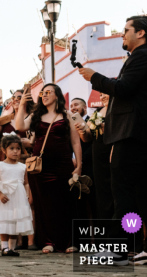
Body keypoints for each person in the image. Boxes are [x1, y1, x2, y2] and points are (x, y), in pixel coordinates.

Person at [79, 15, 147, 265]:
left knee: (123, 192)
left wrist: (94, 78)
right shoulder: (137, 57)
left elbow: (123, 89)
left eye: (127, 30)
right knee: (136, 193)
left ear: (140, 33)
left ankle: (121, 249)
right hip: (133, 134)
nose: (122, 34)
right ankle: (137, 247)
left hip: (131, 133)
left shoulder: (142, 56)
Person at [15, 83, 82, 254]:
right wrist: (22, 103)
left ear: (57, 96)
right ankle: (48, 241)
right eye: (42, 93)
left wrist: (79, 165)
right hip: (40, 167)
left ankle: (69, 241)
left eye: (48, 92)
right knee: (44, 204)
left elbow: (75, 142)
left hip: (63, 164)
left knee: (66, 203)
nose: (44, 95)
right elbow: (20, 127)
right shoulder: (36, 115)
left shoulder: (68, 115)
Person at [82, 93, 113, 221]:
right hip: (98, 158)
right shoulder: (97, 112)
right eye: (100, 94)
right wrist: (81, 130)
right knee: (101, 193)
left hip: (113, 153)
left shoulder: (119, 109)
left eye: (106, 93)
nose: (102, 97)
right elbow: (87, 138)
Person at [69, 98, 97, 223]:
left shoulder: (92, 121)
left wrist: (80, 160)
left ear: (85, 107)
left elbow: (94, 145)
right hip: (73, 170)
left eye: (76, 105)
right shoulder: (70, 124)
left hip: (89, 168)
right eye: (71, 105)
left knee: (93, 204)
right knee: (78, 206)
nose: (73, 107)